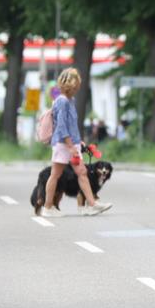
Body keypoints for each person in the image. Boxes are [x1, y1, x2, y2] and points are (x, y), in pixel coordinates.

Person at [41, 68, 113, 217]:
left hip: (70, 144)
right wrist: (70, 146)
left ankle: (92, 204)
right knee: (55, 175)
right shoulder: (62, 102)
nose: (78, 88)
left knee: (82, 172)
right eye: (76, 86)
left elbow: (70, 125)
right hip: (63, 145)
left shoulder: (69, 100)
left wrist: (77, 141)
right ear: (71, 85)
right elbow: (61, 126)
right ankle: (47, 207)